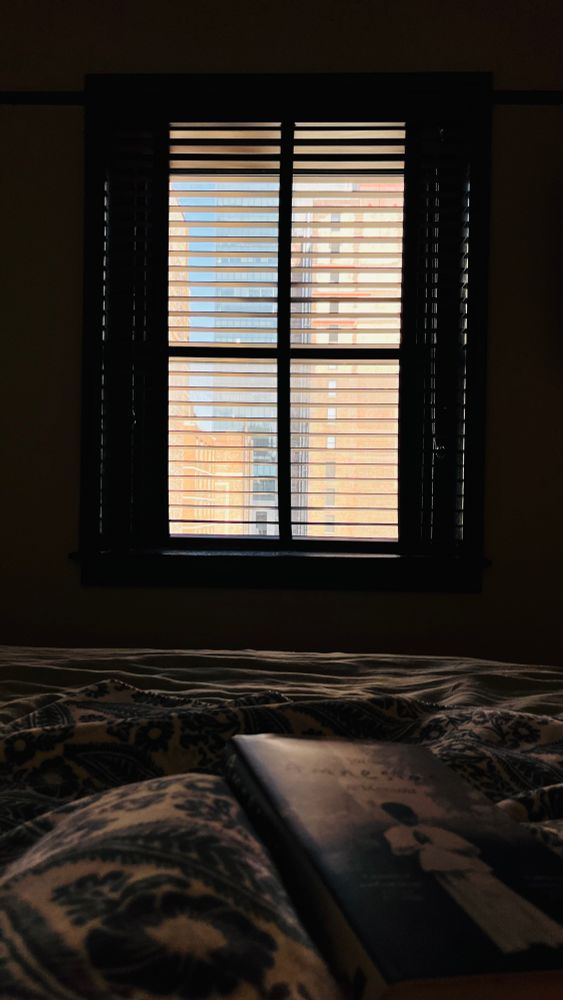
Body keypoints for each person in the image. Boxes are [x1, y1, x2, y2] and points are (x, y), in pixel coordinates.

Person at [380, 801, 563, 954]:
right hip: (444, 870)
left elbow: (466, 846)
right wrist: (422, 845)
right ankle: (514, 941)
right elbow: (400, 849)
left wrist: (435, 842)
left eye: (411, 815)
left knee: (502, 898)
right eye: (404, 817)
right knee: (476, 904)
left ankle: (540, 935)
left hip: (469, 867)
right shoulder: (395, 832)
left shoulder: (433, 829)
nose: (410, 819)